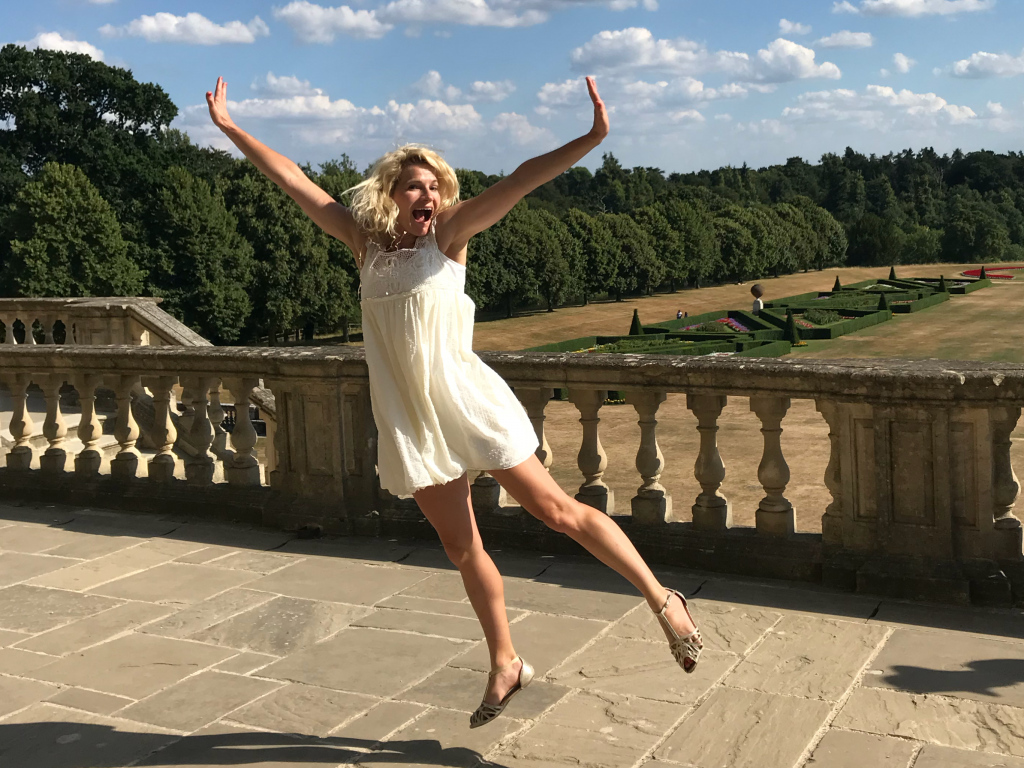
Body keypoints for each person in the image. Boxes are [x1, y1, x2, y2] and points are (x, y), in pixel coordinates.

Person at [206, 75, 701, 729]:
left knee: (557, 511)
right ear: (390, 192)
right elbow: (296, 180)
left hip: (467, 402)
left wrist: (591, 138)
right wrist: (232, 129)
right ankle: (506, 662)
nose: (428, 195)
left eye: (435, 186)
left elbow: (520, 180)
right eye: (415, 185)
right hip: (413, 422)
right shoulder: (364, 246)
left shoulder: (450, 238)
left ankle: (662, 600)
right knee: (461, 548)